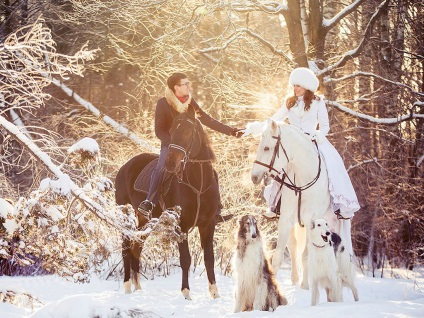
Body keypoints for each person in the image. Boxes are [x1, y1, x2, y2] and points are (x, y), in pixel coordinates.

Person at [252, 67, 360, 254]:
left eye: (299, 86)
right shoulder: (290, 103)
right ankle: (275, 205)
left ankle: (338, 204)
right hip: (293, 147)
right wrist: (258, 126)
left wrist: (315, 135)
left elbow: (325, 126)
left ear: (307, 87)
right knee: (281, 169)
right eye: (293, 85)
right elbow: (275, 119)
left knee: (332, 165)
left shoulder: (318, 102)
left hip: (313, 142)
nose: (295, 88)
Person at [138, 72, 243, 223]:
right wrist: (174, 143)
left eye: (188, 83)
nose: (189, 86)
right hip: (171, 145)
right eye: (185, 84)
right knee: (162, 167)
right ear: (176, 87)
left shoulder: (190, 102)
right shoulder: (163, 103)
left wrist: (231, 131)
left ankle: (216, 210)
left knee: (210, 170)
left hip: (189, 145)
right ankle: (149, 202)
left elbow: (206, 119)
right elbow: (159, 131)